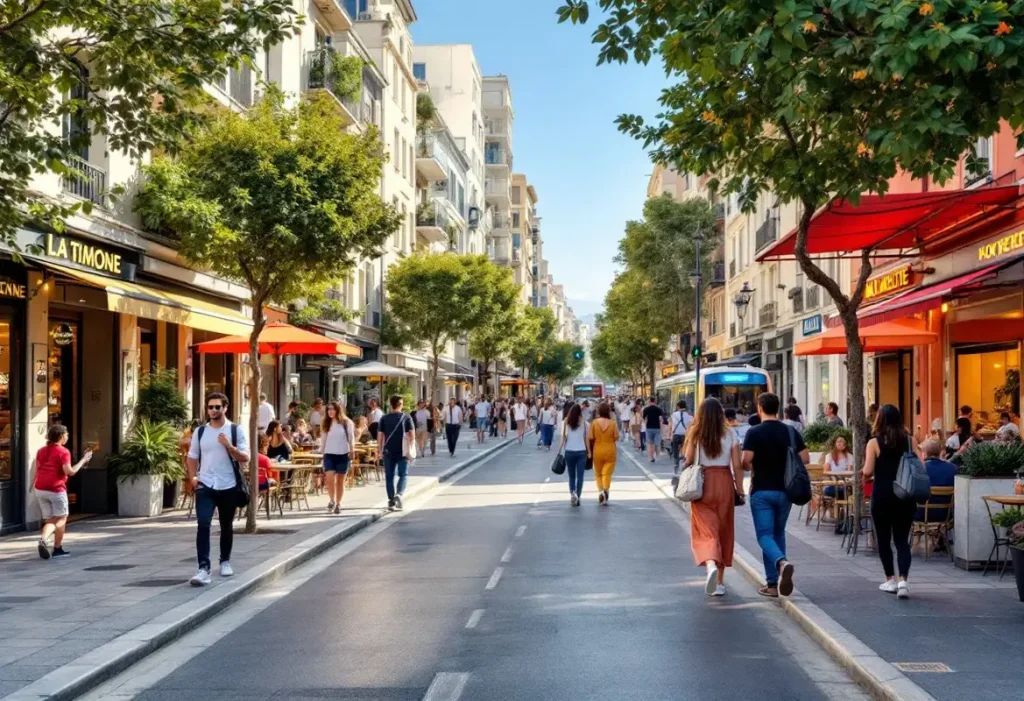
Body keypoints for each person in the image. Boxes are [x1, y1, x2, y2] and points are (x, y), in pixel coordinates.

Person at [742, 392, 807, 598]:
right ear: (777, 408)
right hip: (785, 491)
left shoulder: (754, 432)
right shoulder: (789, 432)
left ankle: (780, 565)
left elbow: (746, 461)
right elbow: (804, 458)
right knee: (778, 533)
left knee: (764, 536)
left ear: (760, 408)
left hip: (761, 489)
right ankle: (772, 584)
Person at [186, 393, 250, 586]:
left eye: (217, 407)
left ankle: (225, 560)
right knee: (203, 523)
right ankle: (203, 568)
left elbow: (245, 458)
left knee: (226, 525)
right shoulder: (200, 432)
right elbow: (192, 456)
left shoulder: (234, 430)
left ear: (225, 408)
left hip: (228, 484)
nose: (213, 410)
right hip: (205, 484)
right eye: (210, 407)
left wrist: (229, 446)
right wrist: (192, 477)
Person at [685, 398, 744, 597]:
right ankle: (719, 581)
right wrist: (740, 488)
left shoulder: (696, 432)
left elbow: (687, 458)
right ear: (720, 413)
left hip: (703, 483)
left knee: (705, 529)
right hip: (725, 482)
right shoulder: (730, 432)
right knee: (723, 530)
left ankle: (710, 564)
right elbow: (737, 465)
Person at [863, 404, 918, 599]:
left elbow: (868, 471)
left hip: (883, 496)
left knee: (884, 540)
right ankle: (904, 581)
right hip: (904, 496)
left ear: (880, 420)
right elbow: (920, 466)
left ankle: (890, 580)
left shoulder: (874, 443)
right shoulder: (910, 441)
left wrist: (866, 475)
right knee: (902, 541)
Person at [33, 424, 92, 559]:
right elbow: (69, 472)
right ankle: (44, 540)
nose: (67, 436)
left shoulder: (41, 450)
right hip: (55, 488)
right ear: (61, 436)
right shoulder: (63, 451)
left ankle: (57, 548)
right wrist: (83, 460)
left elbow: (37, 469)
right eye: (66, 434)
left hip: (40, 488)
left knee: (51, 519)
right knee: (62, 518)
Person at [377, 395, 415, 511]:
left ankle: (391, 500)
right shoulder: (406, 417)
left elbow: (380, 435)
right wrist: (411, 445)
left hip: (388, 450)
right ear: (400, 404)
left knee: (389, 476)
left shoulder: (384, 418)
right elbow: (412, 434)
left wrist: (379, 450)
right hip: (403, 450)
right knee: (403, 474)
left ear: (391, 404)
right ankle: (399, 493)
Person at [321, 401, 355, 515]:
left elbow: (351, 438)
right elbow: (323, 440)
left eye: (333, 409)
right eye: (328, 409)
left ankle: (338, 503)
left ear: (338, 410)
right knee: (329, 478)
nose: (330, 411)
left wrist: (352, 450)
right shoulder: (326, 423)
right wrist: (322, 454)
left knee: (340, 481)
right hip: (329, 454)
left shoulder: (346, 423)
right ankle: (331, 500)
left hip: (343, 454)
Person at [915, 438, 957, 529]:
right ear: (940, 452)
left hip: (921, 514)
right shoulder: (953, 468)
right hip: (945, 515)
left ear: (924, 452)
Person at [557, 404, 591, 507]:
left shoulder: (565, 423)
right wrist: (589, 452)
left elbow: (563, 437)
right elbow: (586, 439)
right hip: (581, 452)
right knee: (580, 476)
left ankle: (572, 493)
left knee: (571, 476)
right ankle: (578, 495)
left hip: (569, 451)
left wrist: (559, 451)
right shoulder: (585, 423)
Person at [591, 402, 620, 504]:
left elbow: (591, 437)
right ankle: (606, 490)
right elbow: (616, 437)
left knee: (598, 473)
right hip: (610, 450)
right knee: (607, 473)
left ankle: (600, 491)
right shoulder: (613, 423)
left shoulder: (594, 423)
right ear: (608, 411)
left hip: (597, 450)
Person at [670, 400, 693, 472]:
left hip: (676, 435)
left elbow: (670, 425)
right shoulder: (690, 416)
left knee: (675, 451)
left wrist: (670, 435)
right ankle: (683, 464)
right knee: (684, 451)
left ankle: (676, 465)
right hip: (685, 436)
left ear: (678, 406)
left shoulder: (673, 415)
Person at [642, 397, 665, 462]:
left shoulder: (646, 409)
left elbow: (643, 419)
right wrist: (662, 427)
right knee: (657, 443)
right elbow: (661, 419)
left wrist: (645, 424)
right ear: (655, 401)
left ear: (649, 401)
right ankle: (656, 454)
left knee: (650, 444)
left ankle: (651, 458)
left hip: (649, 428)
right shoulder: (659, 409)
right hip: (657, 428)